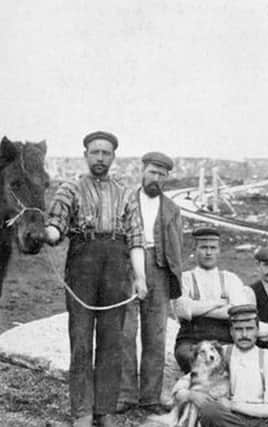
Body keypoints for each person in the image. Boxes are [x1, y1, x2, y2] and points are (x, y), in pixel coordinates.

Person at [44, 131, 147, 427]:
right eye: (95, 152)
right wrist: (45, 234)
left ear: (113, 157)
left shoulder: (126, 193)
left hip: (117, 266)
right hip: (83, 264)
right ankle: (82, 412)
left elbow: (136, 240)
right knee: (80, 340)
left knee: (112, 341)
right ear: (85, 154)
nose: (100, 158)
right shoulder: (70, 189)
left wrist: (139, 279)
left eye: (106, 153)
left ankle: (104, 410)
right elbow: (56, 226)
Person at [172, 304, 268, 427]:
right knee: (210, 411)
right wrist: (191, 395)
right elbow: (181, 386)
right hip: (228, 420)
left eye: (249, 329)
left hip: (264, 421)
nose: (244, 334)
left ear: (257, 331)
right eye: (239, 329)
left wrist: (233, 405)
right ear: (231, 332)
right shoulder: (218, 353)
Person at [118, 152, 184, 414]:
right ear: (142, 171)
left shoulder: (172, 208)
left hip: (159, 270)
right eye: (152, 172)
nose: (156, 178)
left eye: (162, 174)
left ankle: (150, 398)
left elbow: (177, 244)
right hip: (127, 269)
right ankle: (125, 395)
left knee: (155, 335)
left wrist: (174, 279)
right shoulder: (125, 200)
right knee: (125, 332)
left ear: (166, 178)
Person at [173, 227, 254, 373]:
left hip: (224, 340)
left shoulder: (230, 279)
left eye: (212, 248)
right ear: (195, 249)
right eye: (203, 248)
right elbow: (183, 311)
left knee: (235, 362)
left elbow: (238, 313)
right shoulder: (185, 278)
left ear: (219, 250)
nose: (208, 253)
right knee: (192, 359)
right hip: (191, 341)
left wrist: (196, 309)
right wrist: (219, 303)